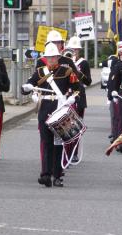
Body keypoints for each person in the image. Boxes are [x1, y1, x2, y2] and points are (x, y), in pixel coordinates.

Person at [22, 41, 82, 187]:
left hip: (60, 108)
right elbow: (26, 87)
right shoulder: (40, 72)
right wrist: (27, 88)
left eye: (54, 57)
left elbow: (77, 89)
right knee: (46, 142)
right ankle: (45, 174)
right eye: (49, 57)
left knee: (58, 144)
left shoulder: (67, 72)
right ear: (45, 58)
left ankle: (58, 175)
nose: (51, 60)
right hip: (45, 109)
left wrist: (73, 98)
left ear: (58, 57)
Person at [66, 36, 92, 118]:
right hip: (66, 95)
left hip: (79, 96)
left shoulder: (84, 63)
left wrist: (78, 72)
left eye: (76, 49)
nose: (74, 51)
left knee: (78, 122)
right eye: (72, 49)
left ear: (79, 50)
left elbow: (88, 82)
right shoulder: (63, 62)